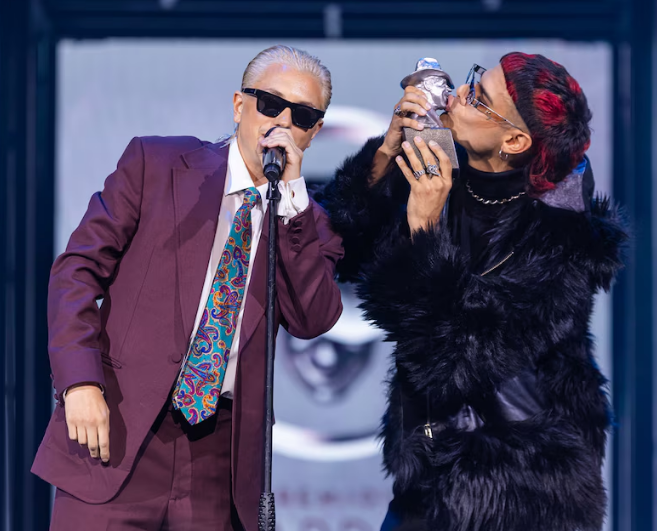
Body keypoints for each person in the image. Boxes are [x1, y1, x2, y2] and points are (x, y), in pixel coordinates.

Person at [32, 45, 344, 531]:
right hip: (117, 425)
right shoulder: (157, 163)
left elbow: (312, 318)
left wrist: (291, 205)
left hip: (218, 457)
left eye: (301, 115)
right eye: (270, 104)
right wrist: (79, 381)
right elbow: (77, 270)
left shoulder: (309, 225)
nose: (282, 122)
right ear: (239, 105)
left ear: (314, 131)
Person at [317, 53, 627, 530]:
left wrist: (424, 229)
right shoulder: (445, 170)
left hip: (525, 488)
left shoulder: (562, 237)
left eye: (479, 99)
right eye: (471, 81)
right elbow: (340, 250)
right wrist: (384, 154)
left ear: (514, 140)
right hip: (428, 476)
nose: (459, 95)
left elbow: (456, 360)